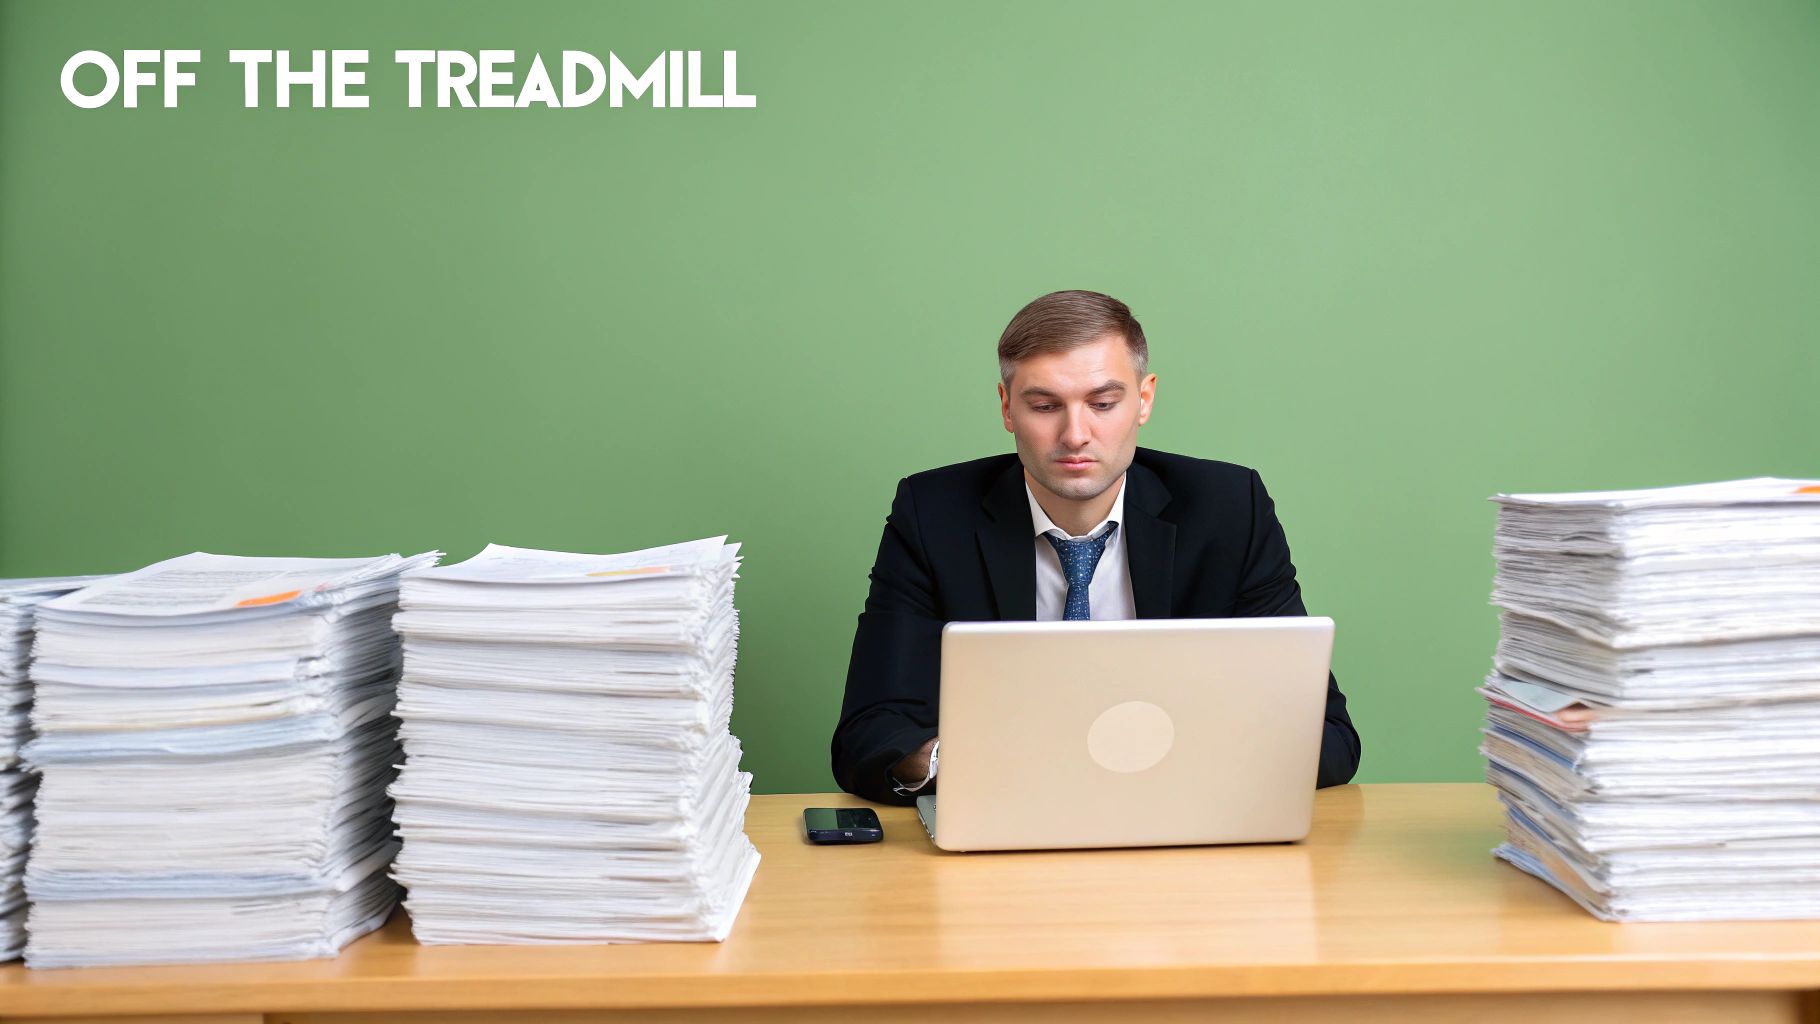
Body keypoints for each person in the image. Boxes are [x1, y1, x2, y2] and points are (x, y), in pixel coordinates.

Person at [830, 289, 1362, 805]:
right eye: (1044, 406)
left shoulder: (1230, 510)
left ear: (1144, 399)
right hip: (1008, 822)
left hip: (1182, 828)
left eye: (1103, 403)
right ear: (1007, 408)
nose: (1075, 434)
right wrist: (975, 762)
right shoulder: (933, 513)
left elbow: (1329, 738)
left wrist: (1169, 760)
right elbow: (869, 737)